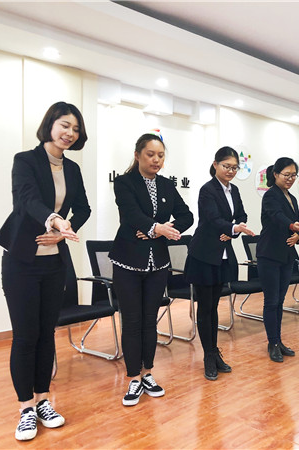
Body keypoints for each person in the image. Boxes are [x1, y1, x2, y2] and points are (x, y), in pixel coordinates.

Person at [0, 101, 91, 440]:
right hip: (22, 262)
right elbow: (27, 199)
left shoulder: (73, 169)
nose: (70, 133)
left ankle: (43, 400)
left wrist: (64, 230)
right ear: (50, 124)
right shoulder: (25, 161)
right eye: (65, 125)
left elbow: (83, 208)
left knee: (46, 333)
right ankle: (25, 409)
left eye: (75, 129)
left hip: (53, 263)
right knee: (26, 336)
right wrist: (54, 219)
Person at [109, 132, 193, 406]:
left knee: (149, 319)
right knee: (132, 320)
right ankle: (133, 377)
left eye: (160, 155)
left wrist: (161, 231)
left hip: (158, 263)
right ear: (137, 155)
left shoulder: (166, 185)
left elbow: (187, 216)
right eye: (150, 154)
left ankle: (147, 373)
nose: (156, 160)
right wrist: (155, 227)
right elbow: (131, 214)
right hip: (127, 261)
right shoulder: (124, 182)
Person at [185, 147, 255, 380]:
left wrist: (234, 230)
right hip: (204, 254)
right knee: (205, 308)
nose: (231, 171)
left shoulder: (234, 190)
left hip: (222, 254)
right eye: (227, 166)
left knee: (214, 307)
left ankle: (214, 352)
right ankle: (208, 356)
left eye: (235, 168)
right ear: (215, 165)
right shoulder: (207, 190)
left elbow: (242, 215)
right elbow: (213, 218)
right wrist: (232, 228)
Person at [257, 158, 299, 362]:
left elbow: (298, 222)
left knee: (280, 301)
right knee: (271, 301)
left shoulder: (292, 198)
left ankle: (278, 341)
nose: (290, 179)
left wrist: (298, 234)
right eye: (286, 175)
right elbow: (277, 216)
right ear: (275, 174)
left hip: (287, 254)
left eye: (293, 175)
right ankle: (272, 343)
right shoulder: (270, 195)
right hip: (269, 254)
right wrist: (292, 227)